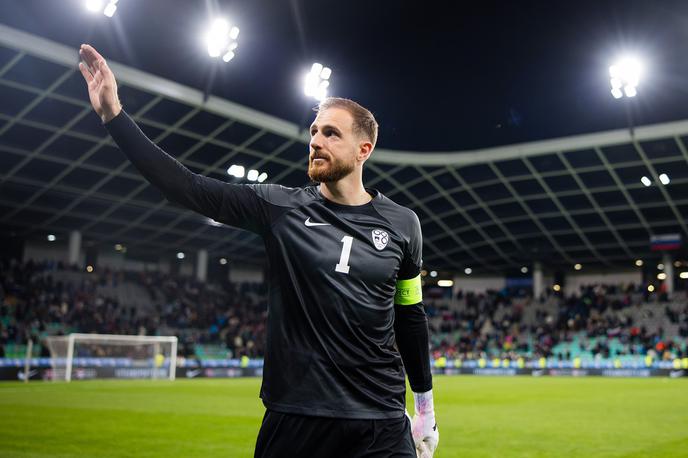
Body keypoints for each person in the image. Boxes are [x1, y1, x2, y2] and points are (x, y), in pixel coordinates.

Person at [78, 44, 439, 458]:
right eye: (314, 132)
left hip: (381, 421)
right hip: (296, 419)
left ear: (364, 150)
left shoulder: (402, 224)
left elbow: (410, 317)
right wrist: (114, 117)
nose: (316, 141)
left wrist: (424, 410)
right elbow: (187, 187)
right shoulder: (280, 207)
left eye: (331, 133)